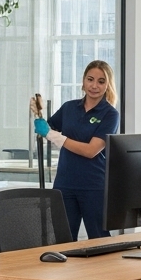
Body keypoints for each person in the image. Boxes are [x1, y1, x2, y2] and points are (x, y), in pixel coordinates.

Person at [33, 60, 121, 238]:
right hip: (64, 184)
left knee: (99, 239)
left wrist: (53, 135)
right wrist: (37, 116)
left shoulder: (110, 114)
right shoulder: (69, 108)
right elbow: (47, 129)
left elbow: (91, 151)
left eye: (101, 81)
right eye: (90, 79)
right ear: (83, 81)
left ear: (108, 86)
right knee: (63, 240)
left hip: (94, 186)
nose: (94, 85)